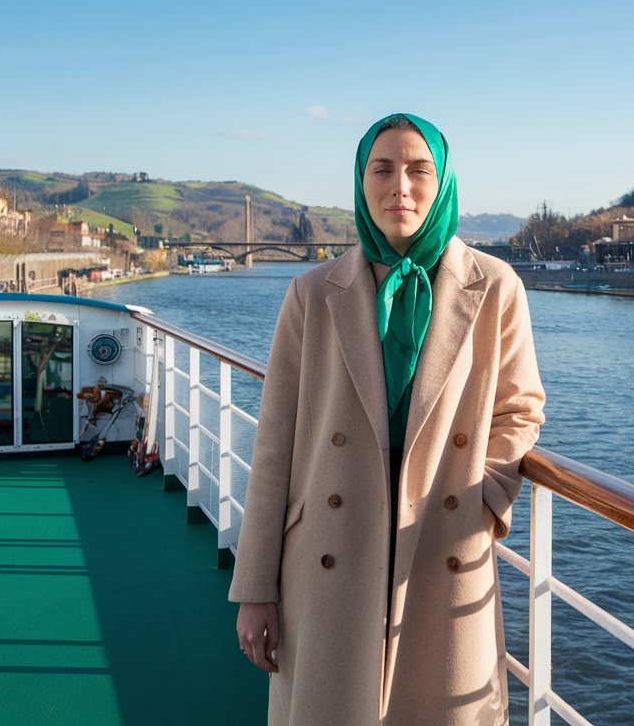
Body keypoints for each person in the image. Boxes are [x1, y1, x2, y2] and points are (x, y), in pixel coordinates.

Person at [230, 113, 545, 726]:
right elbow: (275, 446)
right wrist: (254, 590)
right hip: (326, 557)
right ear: (361, 181)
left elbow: (521, 407)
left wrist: (483, 495)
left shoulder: (495, 287)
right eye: (383, 168)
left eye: (419, 169)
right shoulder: (313, 294)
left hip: (441, 544)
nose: (400, 185)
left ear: (443, 181)